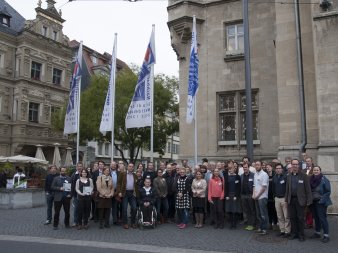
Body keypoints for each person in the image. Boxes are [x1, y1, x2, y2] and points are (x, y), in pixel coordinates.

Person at [285, 158, 312, 242]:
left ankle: (301, 235)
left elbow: (308, 189)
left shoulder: (304, 176)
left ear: (299, 165)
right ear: (291, 165)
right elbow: (287, 189)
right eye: (293, 164)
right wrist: (286, 200)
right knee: (292, 218)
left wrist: (309, 201)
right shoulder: (289, 176)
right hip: (291, 200)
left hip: (301, 200)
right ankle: (294, 233)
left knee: (300, 218)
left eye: (296, 164)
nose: (295, 166)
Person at [309, 166, 332, 243]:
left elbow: (328, 192)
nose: (316, 171)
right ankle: (317, 233)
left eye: (317, 170)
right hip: (313, 202)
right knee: (316, 218)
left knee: (322, 218)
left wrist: (322, 200)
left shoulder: (324, 179)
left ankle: (326, 235)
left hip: (321, 202)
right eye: (314, 170)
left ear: (320, 171)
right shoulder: (311, 179)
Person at [117, 163, 139, 229]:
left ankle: (133, 222)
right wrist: (119, 192)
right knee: (124, 208)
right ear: (127, 167)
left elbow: (136, 185)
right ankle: (125, 223)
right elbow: (119, 183)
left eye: (132, 166)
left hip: (132, 193)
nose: (131, 167)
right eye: (130, 166)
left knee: (134, 208)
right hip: (125, 193)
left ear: (133, 168)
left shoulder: (135, 175)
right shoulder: (122, 174)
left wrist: (136, 193)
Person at [272, 163, 290, 237]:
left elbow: (288, 188)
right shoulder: (274, 177)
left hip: (284, 199)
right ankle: (282, 230)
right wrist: (274, 196)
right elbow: (273, 188)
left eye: (279, 168)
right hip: (277, 199)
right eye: (277, 168)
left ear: (282, 169)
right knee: (279, 216)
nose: (278, 170)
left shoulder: (286, 177)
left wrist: (286, 199)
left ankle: (287, 231)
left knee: (286, 216)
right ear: (275, 170)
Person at [252, 160, 269, 235]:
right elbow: (254, 186)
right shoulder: (255, 174)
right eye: (256, 165)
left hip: (262, 197)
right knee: (258, 214)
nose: (257, 166)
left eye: (258, 165)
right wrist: (253, 195)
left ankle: (265, 229)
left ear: (261, 165)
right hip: (256, 197)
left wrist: (257, 196)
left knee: (263, 214)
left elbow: (264, 187)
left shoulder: (264, 174)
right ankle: (260, 227)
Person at [224, 163, 241, 229]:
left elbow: (239, 187)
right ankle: (231, 224)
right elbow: (225, 187)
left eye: (232, 169)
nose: (230, 170)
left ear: (234, 169)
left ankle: (235, 224)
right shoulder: (227, 177)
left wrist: (236, 196)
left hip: (235, 195)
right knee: (230, 210)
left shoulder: (237, 177)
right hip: (229, 195)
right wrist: (226, 195)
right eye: (229, 169)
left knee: (235, 210)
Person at [240, 162, 256, 231]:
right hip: (243, 195)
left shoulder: (253, 175)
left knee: (252, 210)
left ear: (248, 168)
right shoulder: (241, 176)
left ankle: (253, 224)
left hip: (250, 195)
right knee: (246, 210)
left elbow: (255, 185)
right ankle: (249, 223)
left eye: (246, 167)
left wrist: (254, 194)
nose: (245, 169)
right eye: (243, 167)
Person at [70, 162, 84, 227]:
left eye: (81, 166)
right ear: (76, 167)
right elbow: (72, 185)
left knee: (83, 208)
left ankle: (83, 221)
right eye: (78, 166)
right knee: (76, 209)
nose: (79, 167)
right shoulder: (74, 175)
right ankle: (75, 221)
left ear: (82, 167)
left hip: (84, 195)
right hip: (76, 195)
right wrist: (71, 194)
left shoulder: (85, 173)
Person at [266, 163, 278, 230]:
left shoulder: (275, 175)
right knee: (269, 210)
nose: (268, 168)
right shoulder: (265, 175)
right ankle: (270, 223)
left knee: (274, 211)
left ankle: (275, 223)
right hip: (267, 196)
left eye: (269, 167)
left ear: (272, 168)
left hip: (274, 195)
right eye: (267, 167)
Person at [110, 160, 119, 226]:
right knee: (107, 207)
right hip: (108, 192)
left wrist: (117, 192)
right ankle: (106, 220)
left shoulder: (119, 173)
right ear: (110, 165)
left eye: (114, 165)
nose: (113, 166)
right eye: (112, 164)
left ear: (116, 166)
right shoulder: (107, 172)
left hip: (116, 192)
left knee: (115, 206)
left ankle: (115, 220)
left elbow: (120, 183)